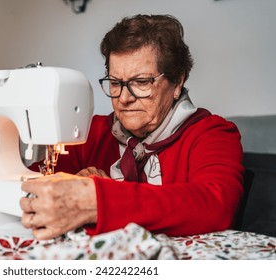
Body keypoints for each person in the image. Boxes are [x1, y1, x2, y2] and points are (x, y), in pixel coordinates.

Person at [19, 14, 244, 240]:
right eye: (116, 83)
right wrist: (69, 184)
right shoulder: (92, 133)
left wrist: (97, 199)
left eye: (141, 82)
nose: (124, 98)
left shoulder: (211, 134)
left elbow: (215, 206)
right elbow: (32, 183)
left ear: (177, 82)